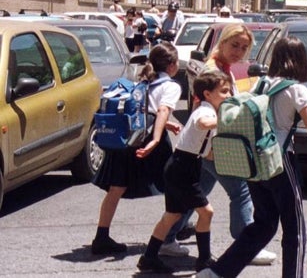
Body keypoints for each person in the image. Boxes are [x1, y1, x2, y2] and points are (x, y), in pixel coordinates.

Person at [196, 36, 307, 278]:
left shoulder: (261, 84)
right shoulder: (297, 89)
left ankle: (217, 272)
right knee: (295, 230)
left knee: (264, 224)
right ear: (301, 60)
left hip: (255, 161)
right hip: (280, 161)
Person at [164, 24, 277, 266]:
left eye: (244, 47)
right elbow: (204, 110)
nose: (239, 51)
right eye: (234, 45)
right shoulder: (213, 70)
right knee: (241, 192)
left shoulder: (224, 68)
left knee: (196, 194)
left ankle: (166, 238)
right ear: (222, 42)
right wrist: (212, 146)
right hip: (212, 143)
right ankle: (248, 245)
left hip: (206, 144)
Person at [90, 42, 181, 255]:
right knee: (175, 183)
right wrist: (157, 138)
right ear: (172, 66)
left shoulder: (143, 80)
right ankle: (170, 234)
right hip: (148, 140)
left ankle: (101, 237)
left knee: (116, 188)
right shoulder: (171, 85)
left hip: (127, 139)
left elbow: (142, 111)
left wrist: (165, 124)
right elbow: (161, 110)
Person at [137, 71, 231, 273]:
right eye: (223, 91)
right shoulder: (205, 112)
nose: (229, 95)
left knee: (172, 215)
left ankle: (149, 257)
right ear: (207, 94)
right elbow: (203, 124)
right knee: (206, 212)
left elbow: (206, 152)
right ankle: (204, 260)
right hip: (182, 168)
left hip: (183, 165)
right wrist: (230, 121)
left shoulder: (209, 109)